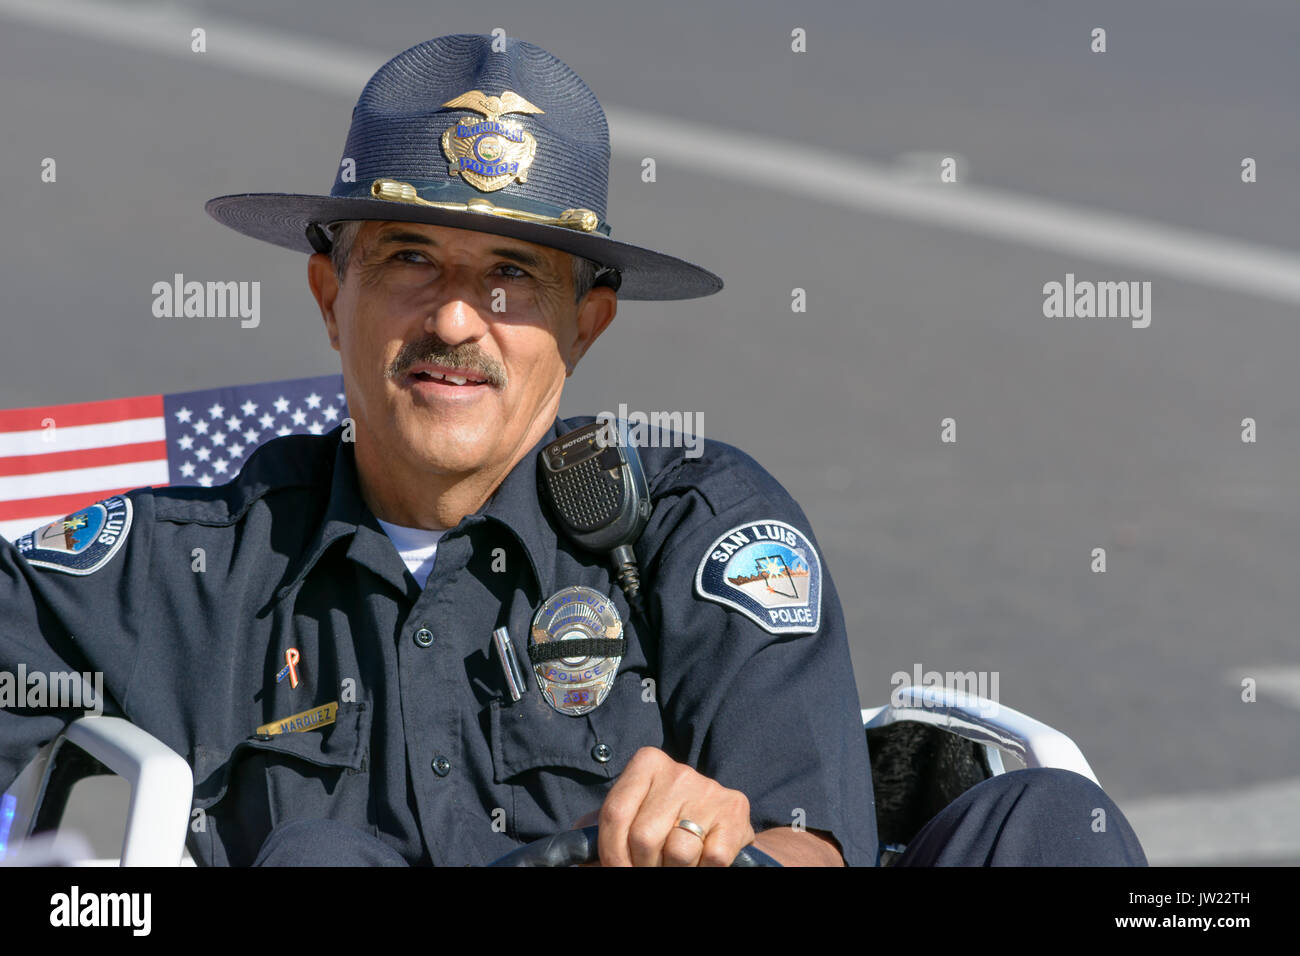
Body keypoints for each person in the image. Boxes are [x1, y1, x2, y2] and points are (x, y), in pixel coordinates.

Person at [0, 34, 1145, 867]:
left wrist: (715, 846)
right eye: (409, 258)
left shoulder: (697, 530)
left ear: (585, 321)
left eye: (511, 277)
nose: (456, 319)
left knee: (1045, 822)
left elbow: (814, 845)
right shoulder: (183, 574)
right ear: (327, 292)